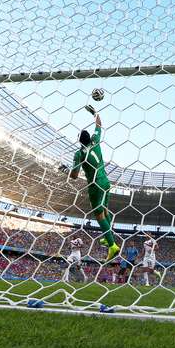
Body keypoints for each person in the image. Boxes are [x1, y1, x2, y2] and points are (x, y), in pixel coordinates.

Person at [63, 107, 119, 262]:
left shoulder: (79, 153)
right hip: (106, 182)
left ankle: (113, 245)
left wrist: (65, 170)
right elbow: (99, 126)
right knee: (106, 211)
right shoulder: (95, 141)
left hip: (95, 185)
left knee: (99, 215)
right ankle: (108, 238)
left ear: (80, 141)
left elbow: (74, 176)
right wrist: (95, 113)